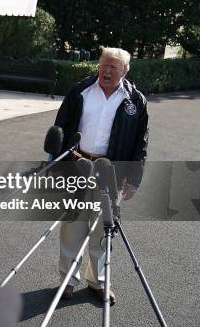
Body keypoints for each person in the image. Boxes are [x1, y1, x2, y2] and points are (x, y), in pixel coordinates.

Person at [54, 47, 149, 304]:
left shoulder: (135, 101)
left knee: (103, 229)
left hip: (111, 172)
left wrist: (134, 178)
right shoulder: (80, 90)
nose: (106, 71)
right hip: (78, 164)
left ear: (125, 71)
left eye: (113, 67)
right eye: (104, 65)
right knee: (72, 226)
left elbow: (141, 142)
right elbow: (60, 127)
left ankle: (98, 282)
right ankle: (68, 281)